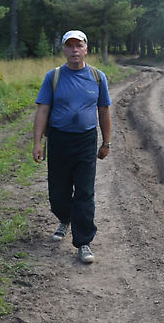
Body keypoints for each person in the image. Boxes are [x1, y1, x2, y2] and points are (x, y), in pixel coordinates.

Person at [32, 29, 112, 264]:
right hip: (59, 140)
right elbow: (43, 110)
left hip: (86, 141)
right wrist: (37, 142)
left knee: (85, 192)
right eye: (70, 46)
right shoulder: (54, 76)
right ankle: (64, 218)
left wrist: (106, 142)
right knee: (58, 192)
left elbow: (104, 110)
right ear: (64, 49)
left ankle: (83, 242)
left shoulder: (98, 77)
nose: (74, 50)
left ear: (86, 49)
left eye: (79, 46)